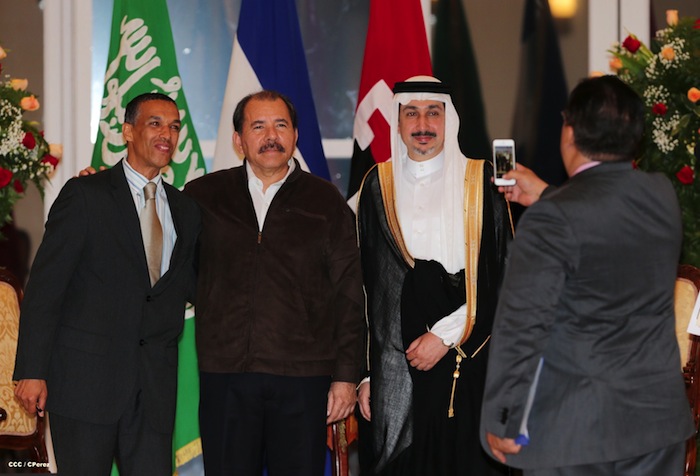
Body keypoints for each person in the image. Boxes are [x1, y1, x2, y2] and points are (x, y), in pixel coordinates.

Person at [481, 75, 694, 476]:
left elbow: (522, 324)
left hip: (577, 432)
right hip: (656, 427)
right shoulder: (661, 195)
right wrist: (547, 194)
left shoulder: (553, 218)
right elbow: (603, 220)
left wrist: (502, 415)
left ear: (570, 131)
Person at [13, 92, 201, 475]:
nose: (166, 134)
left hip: (154, 393)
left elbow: (192, 286)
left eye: (174, 126)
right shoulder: (85, 194)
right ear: (128, 132)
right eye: (155, 123)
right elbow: (46, 289)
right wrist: (32, 370)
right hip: (84, 387)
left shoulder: (187, 210)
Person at [183, 90, 364, 475]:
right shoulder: (203, 196)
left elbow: (349, 295)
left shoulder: (326, 201)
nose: (271, 136)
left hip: (303, 381)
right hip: (226, 376)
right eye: (258, 126)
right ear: (238, 140)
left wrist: (346, 377)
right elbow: (177, 268)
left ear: (295, 135)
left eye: (281, 125)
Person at [355, 76, 512, 476]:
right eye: (411, 113)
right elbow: (369, 286)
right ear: (398, 121)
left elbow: (503, 273)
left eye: (433, 113)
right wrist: (368, 373)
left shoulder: (481, 180)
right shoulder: (377, 185)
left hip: (470, 351)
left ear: (449, 119)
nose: (423, 124)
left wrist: (444, 336)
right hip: (398, 362)